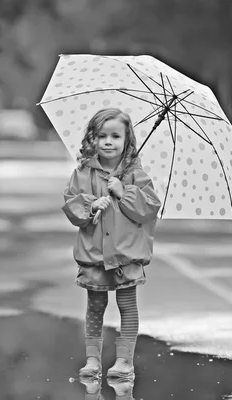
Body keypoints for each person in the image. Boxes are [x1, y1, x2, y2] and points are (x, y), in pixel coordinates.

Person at [61, 108, 162, 381]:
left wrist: (124, 191)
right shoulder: (82, 173)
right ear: (91, 139)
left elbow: (149, 208)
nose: (108, 142)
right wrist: (91, 204)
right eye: (101, 136)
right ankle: (93, 359)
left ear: (127, 141)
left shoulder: (135, 176)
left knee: (127, 305)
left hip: (125, 255)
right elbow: (71, 205)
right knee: (95, 306)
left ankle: (124, 361)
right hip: (94, 255)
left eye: (116, 136)